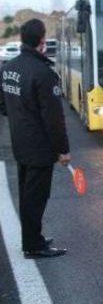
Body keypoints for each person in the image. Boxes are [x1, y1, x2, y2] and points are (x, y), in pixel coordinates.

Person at [0, 19, 70, 258]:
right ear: (42, 41)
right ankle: (33, 245)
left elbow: (3, 105)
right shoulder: (43, 73)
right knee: (36, 196)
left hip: (20, 143)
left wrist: (21, 118)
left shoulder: (8, 67)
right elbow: (54, 119)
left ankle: (32, 238)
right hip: (39, 148)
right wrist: (63, 150)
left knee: (27, 193)